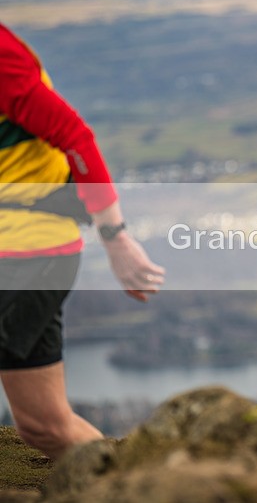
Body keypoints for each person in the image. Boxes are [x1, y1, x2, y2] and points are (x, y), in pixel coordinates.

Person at [0, 23, 165, 459]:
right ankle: (137, 488)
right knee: (44, 425)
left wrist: (116, 240)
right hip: (30, 255)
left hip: (23, 254)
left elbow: (75, 137)